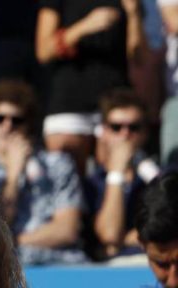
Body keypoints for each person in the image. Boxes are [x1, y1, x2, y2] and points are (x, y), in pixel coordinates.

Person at [0, 79, 88, 265]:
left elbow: (67, 230)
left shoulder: (58, 164)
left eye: (16, 120)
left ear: (29, 124)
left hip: (61, 264)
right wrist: (13, 177)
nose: (7, 127)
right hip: (4, 269)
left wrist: (13, 241)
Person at [34, 0, 146, 173]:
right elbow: (44, 51)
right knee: (64, 174)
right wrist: (85, 27)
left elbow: (139, 58)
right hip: (70, 102)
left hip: (114, 102)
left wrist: (134, 14)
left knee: (119, 175)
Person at [85, 87, 159, 261]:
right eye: (116, 127)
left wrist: (122, 240)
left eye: (134, 127)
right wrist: (116, 174)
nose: (125, 134)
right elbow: (110, 234)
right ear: (103, 132)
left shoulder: (161, 177)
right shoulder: (91, 183)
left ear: (145, 133)